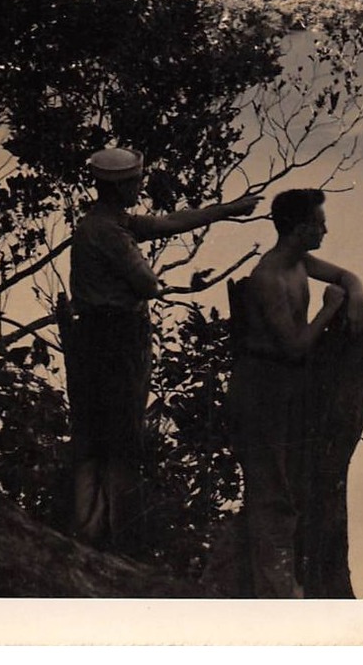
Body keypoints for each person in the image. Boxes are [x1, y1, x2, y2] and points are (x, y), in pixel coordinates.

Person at [63, 145, 259, 555]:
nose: (139, 186)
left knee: (92, 435)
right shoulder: (113, 233)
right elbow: (148, 283)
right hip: (116, 339)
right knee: (121, 439)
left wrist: (226, 210)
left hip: (91, 337)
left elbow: (169, 223)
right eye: (135, 181)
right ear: (121, 187)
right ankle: (117, 540)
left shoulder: (100, 223)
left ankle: (88, 532)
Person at [226, 187, 363, 597]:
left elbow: (345, 276)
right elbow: (292, 346)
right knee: (271, 493)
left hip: (284, 391)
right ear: (300, 228)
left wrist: (353, 295)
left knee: (288, 487)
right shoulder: (268, 277)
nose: (326, 229)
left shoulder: (299, 262)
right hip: (261, 389)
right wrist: (329, 308)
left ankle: (282, 585)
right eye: (319, 223)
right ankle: (274, 594)